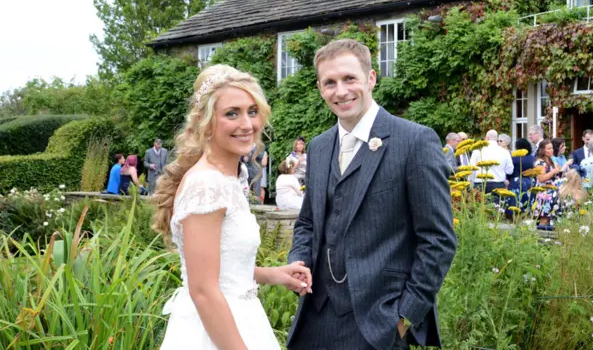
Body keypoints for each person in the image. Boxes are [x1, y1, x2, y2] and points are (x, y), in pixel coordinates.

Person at [287, 39, 457, 350]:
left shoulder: (415, 141)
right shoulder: (319, 146)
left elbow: (438, 239)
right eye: (330, 82)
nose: (340, 91)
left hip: (379, 324)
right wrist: (297, 263)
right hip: (315, 320)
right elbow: (307, 223)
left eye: (349, 78)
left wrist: (404, 318)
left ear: (371, 78)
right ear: (320, 87)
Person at [152, 65, 312, 350]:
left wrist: (272, 274)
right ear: (206, 122)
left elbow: (224, 266)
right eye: (231, 113)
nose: (247, 124)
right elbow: (203, 290)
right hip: (213, 330)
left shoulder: (229, 177)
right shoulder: (206, 184)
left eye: (252, 111)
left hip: (241, 318)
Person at [532, 139, 571, 226]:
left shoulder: (551, 160)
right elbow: (541, 178)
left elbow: (556, 176)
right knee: (545, 217)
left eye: (552, 148)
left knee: (553, 217)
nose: (551, 150)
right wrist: (554, 171)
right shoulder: (540, 162)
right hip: (545, 192)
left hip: (554, 192)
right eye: (548, 148)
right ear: (543, 150)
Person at [506, 138, 535, 215]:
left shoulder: (514, 158)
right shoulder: (532, 158)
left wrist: (509, 179)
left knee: (515, 203)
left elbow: (509, 172)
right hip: (529, 182)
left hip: (516, 182)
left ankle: (513, 217)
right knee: (528, 201)